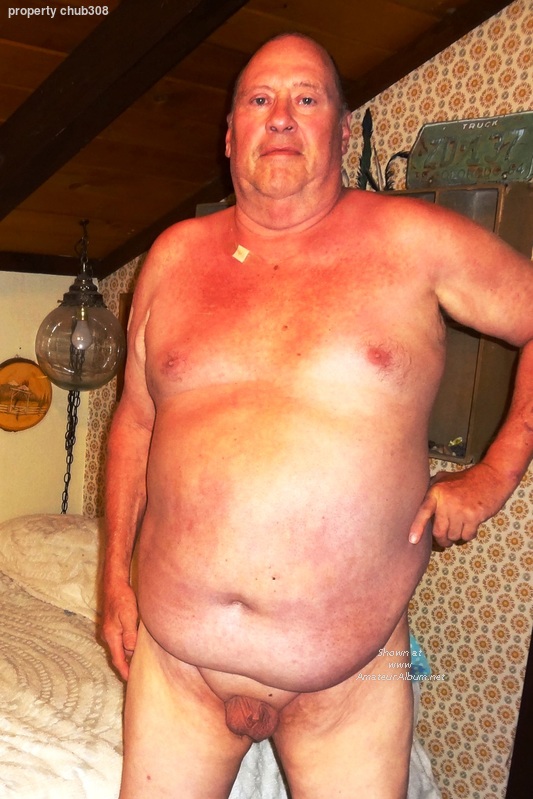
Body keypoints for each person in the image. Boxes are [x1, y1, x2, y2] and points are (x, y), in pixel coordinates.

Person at [102, 32, 533, 799]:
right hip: (177, 668)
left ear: (341, 131)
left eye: (306, 98)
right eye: (258, 99)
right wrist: (113, 580)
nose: (279, 116)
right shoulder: (172, 255)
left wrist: (494, 474)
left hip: (349, 682)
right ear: (228, 134)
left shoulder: (414, 241)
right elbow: (135, 422)